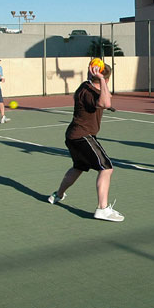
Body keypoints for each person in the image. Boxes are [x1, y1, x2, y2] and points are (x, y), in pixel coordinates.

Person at [48, 63, 124, 222]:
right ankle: (102, 209)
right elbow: (106, 103)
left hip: (72, 135)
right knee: (106, 168)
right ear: (106, 79)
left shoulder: (85, 86)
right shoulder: (91, 94)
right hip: (83, 136)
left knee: (79, 167)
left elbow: (105, 98)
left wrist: (99, 80)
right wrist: (103, 79)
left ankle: (57, 195)